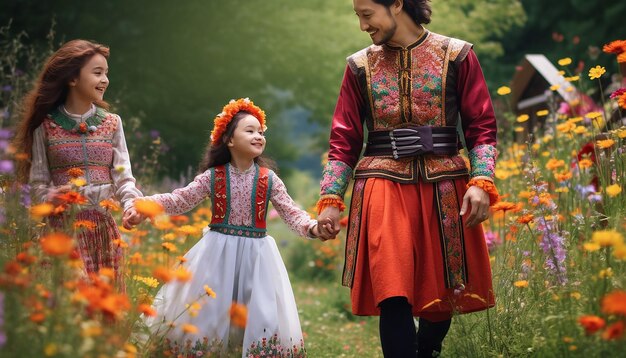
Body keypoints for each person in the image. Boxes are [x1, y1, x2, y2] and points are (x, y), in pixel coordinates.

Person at [316, 0, 500, 356]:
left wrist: (481, 182)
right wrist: (330, 200)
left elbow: (482, 127)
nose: (362, 26)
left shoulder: (458, 55)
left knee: (444, 290)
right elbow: (344, 140)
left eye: (366, 15)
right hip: (381, 184)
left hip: (445, 183)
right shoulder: (358, 66)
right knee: (392, 288)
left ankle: (426, 349)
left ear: (397, 4)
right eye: (358, 16)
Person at [125, 98, 329, 357]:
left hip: (257, 257)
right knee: (211, 309)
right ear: (229, 140)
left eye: (261, 132)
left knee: (258, 310)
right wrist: (146, 204)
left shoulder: (269, 179)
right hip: (217, 254)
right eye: (250, 130)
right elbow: (180, 199)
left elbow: (292, 213)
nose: (258, 136)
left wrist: (313, 228)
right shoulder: (214, 177)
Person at [14, 39, 143, 290]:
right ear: (72, 79)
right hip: (62, 232)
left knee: (104, 308)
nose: (105, 80)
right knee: (70, 307)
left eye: (106, 73)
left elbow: (123, 177)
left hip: (103, 232)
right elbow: (38, 184)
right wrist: (53, 196)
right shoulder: (45, 126)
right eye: (97, 73)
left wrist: (131, 205)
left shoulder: (113, 123)